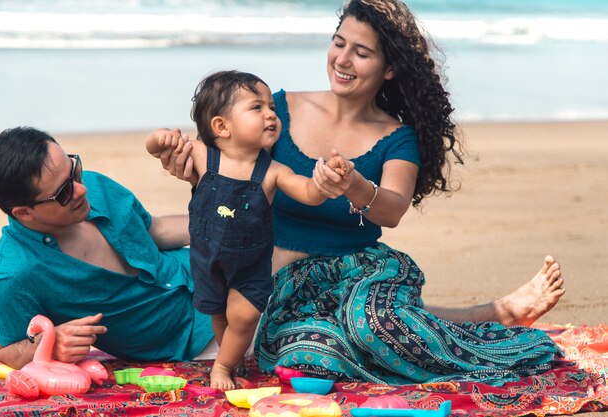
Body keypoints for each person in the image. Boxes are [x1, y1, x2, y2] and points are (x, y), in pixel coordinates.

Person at [160, 0, 565, 385]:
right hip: (284, 284)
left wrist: (355, 185)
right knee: (307, 358)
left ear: (388, 69)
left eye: (361, 52)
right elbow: (226, 167)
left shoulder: (397, 138)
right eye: (339, 43)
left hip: (359, 273)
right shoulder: (276, 112)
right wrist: (186, 170)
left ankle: (498, 316)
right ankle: (493, 312)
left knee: (372, 325)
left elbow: (392, 210)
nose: (342, 59)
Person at [146, 70, 352, 389]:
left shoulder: (272, 171)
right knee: (217, 313)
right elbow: (154, 144)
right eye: (257, 107)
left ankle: (222, 366)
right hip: (207, 259)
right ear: (221, 126)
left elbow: (308, 192)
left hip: (251, 265)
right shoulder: (203, 156)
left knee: (242, 317)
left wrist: (325, 183)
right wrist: (161, 138)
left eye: (271, 106)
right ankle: (234, 356)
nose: (271, 113)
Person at [0, 127, 213, 370]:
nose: (81, 189)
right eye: (63, 193)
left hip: (216, 273)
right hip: (196, 339)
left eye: (74, 171)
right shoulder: (14, 276)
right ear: (24, 213)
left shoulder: (92, 186)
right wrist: (48, 342)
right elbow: (5, 351)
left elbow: (153, 231)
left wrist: (226, 225)